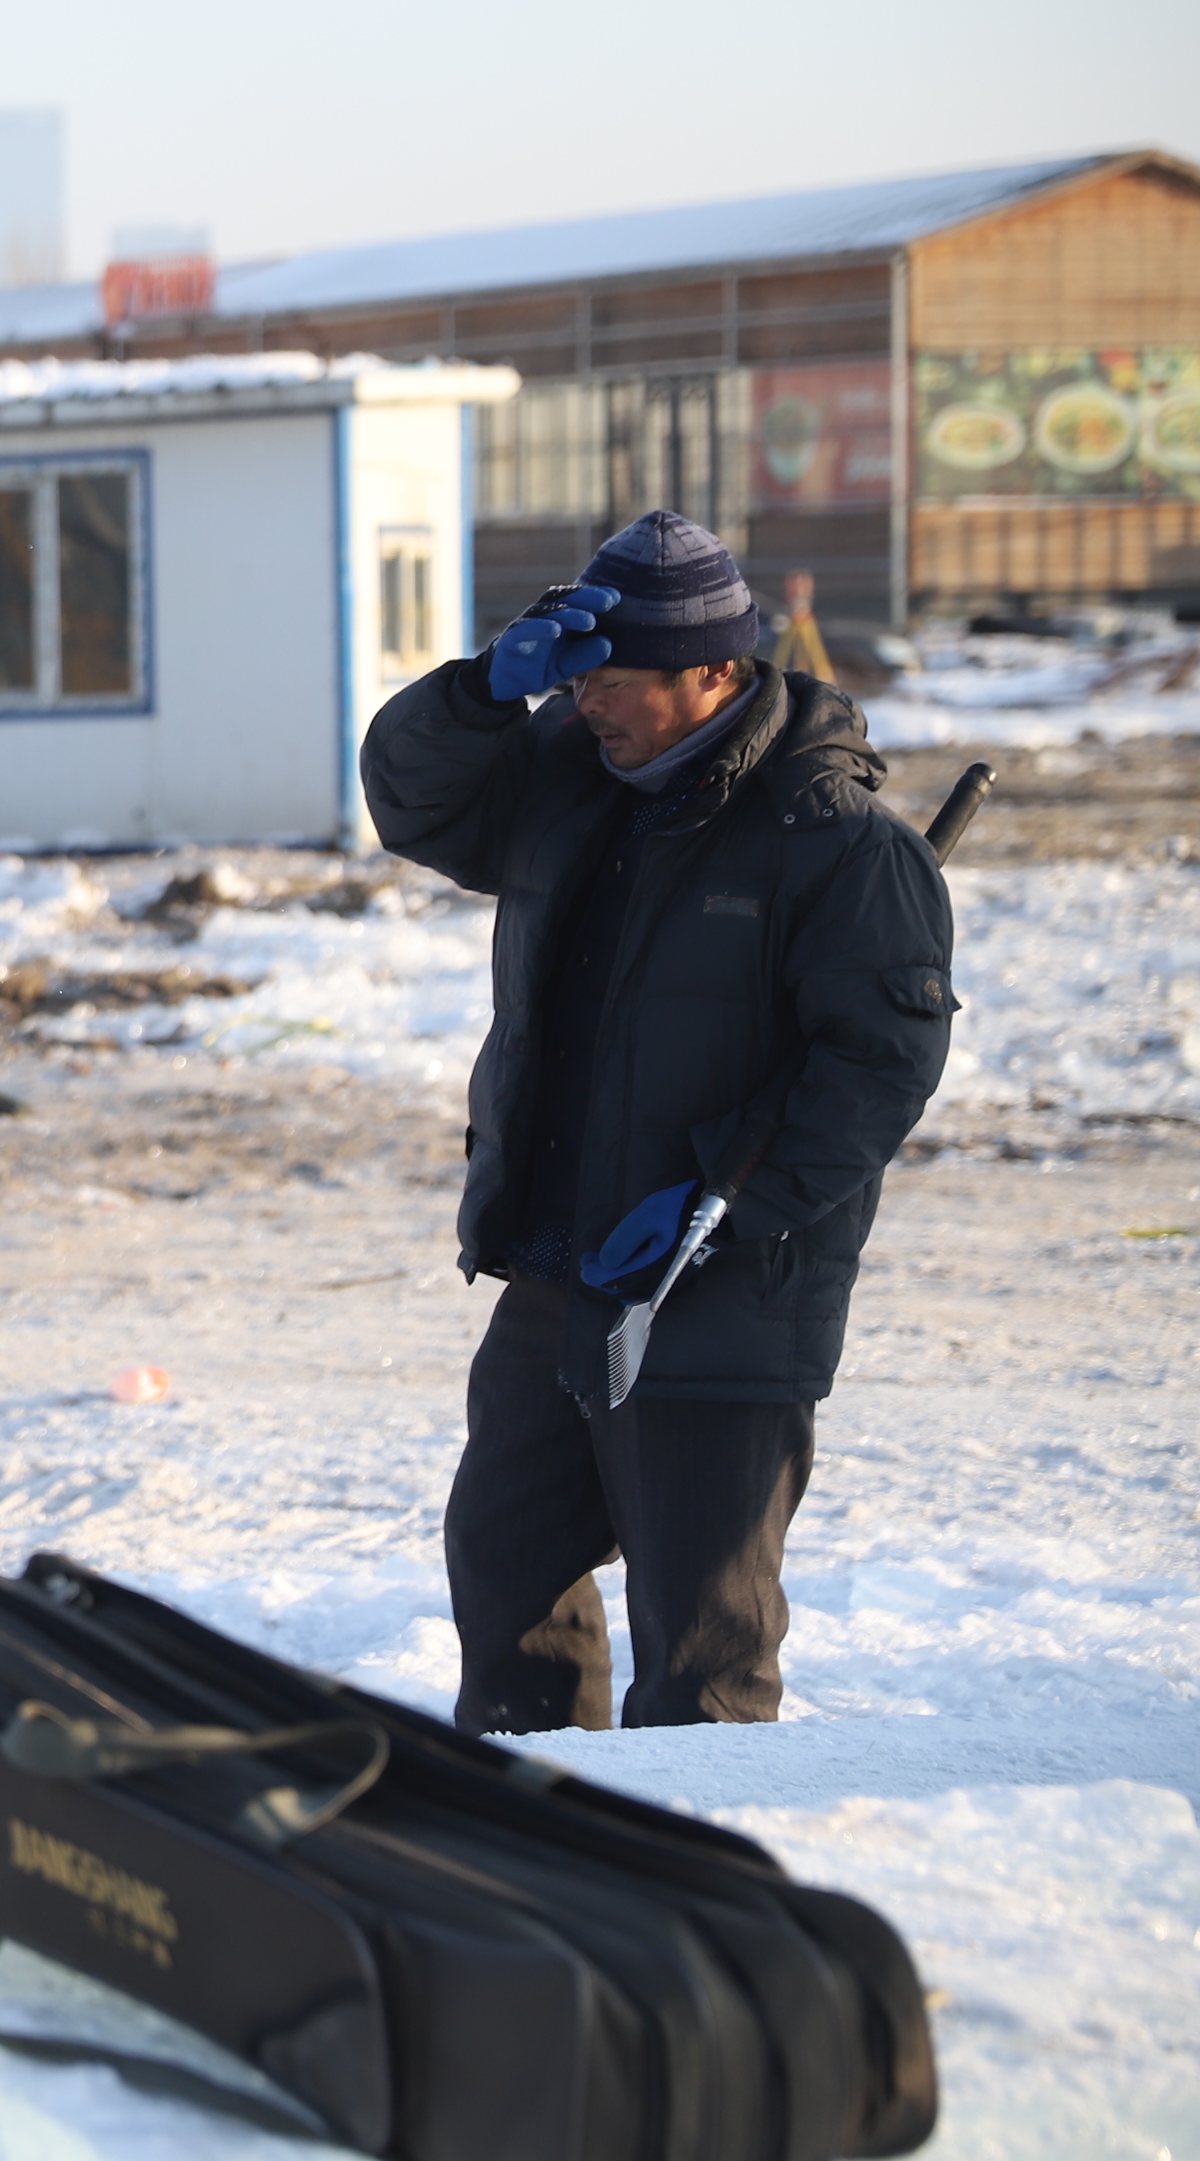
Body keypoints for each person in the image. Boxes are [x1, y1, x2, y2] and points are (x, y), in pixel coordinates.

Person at [359, 510, 956, 1730]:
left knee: (699, 1650)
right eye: (576, 674)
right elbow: (411, 804)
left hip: (715, 1285)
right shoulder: (566, 786)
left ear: (716, 671)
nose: (587, 702)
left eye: (617, 679)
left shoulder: (830, 841)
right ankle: (530, 1834)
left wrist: (714, 1202)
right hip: (557, 1263)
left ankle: (700, 1893)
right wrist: (477, 692)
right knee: (502, 1567)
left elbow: (878, 1063)